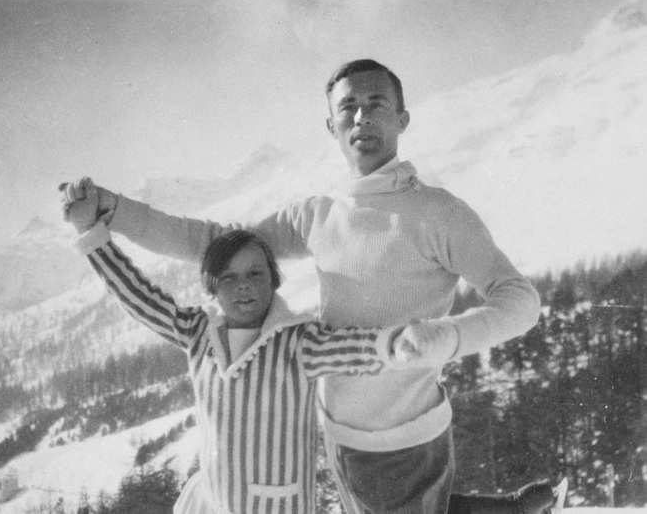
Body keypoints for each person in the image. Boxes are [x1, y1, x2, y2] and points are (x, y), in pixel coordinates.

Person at [61, 58, 565, 513]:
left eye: (376, 104)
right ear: (332, 125)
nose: (362, 117)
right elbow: (220, 244)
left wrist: (447, 337)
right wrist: (112, 210)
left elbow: (519, 300)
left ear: (402, 118)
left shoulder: (440, 213)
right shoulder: (319, 215)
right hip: (338, 429)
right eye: (349, 107)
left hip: (403, 431)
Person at [62, 189, 471, 514]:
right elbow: (138, 296)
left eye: (256, 273)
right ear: (212, 286)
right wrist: (94, 239)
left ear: (274, 281)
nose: (243, 285)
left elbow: (354, 347)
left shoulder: (298, 342)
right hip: (213, 504)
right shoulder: (197, 333)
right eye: (229, 277)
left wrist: (398, 343)